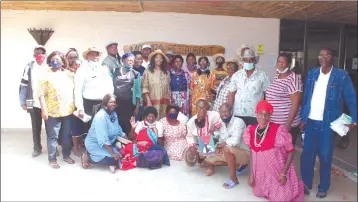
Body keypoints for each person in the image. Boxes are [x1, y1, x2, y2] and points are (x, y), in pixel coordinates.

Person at [300, 48, 357, 198]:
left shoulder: (341, 76)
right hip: (311, 121)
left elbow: (351, 99)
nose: (323, 57)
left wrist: (355, 119)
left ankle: (323, 186)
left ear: (333, 58)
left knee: (325, 155)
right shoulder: (312, 74)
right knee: (307, 154)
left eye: (327, 55)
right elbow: (306, 97)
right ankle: (305, 183)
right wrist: (302, 117)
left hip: (328, 123)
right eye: (321, 55)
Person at [244, 100, 304, 201]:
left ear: (270, 116)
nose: (263, 117)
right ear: (256, 114)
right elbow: (252, 154)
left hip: (276, 174)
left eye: (267, 115)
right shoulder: (250, 131)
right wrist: (252, 175)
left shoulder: (278, 131)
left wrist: (284, 173)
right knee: (257, 193)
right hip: (261, 174)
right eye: (261, 114)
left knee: (281, 199)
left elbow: (290, 151)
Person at [38, 51, 76, 169]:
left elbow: (75, 91)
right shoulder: (45, 75)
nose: (55, 62)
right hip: (52, 112)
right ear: (49, 61)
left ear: (63, 61)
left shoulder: (69, 74)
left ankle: (66, 155)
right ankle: (52, 159)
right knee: (53, 136)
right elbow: (41, 94)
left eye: (58, 59)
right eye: (53, 59)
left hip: (68, 110)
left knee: (66, 135)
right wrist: (43, 110)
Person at [82, 94, 135, 173]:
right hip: (95, 144)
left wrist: (127, 140)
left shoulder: (113, 114)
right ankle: (88, 156)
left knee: (124, 154)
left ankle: (108, 158)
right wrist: (113, 153)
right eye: (111, 102)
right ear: (105, 104)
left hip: (108, 143)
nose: (113, 104)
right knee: (114, 159)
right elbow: (104, 139)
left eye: (114, 102)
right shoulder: (101, 116)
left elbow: (118, 129)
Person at [204, 103, 250, 189]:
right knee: (207, 156)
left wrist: (221, 145)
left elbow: (235, 141)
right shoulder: (221, 123)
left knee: (227, 148)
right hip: (230, 150)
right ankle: (238, 165)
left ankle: (233, 179)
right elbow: (221, 139)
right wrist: (212, 134)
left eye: (226, 111)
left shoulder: (238, 122)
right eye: (221, 112)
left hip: (244, 152)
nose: (224, 114)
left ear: (231, 111)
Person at [74, 47, 114, 133]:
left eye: (97, 54)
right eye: (92, 54)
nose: (95, 56)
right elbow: (78, 90)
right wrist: (80, 107)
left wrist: (110, 100)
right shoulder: (82, 70)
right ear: (87, 56)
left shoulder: (104, 69)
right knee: (92, 128)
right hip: (89, 104)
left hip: (103, 102)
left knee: (104, 127)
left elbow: (110, 85)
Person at [265, 53, 303, 145]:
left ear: (289, 64)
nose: (280, 64)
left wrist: (287, 124)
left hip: (286, 125)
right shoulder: (277, 76)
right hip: (274, 122)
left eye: (283, 62)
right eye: (279, 62)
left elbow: (296, 103)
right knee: (276, 151)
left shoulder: (293, 79)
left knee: (285, 151)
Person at [228, 48, 270, 126]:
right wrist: (229, 110)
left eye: (251, 60)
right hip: (238, 114)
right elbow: (231, 94)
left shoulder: (263, 75)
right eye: (246, 60)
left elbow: (267, 94)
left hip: (255, 115)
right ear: (243, 61)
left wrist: (265, 112)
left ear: (254, 61)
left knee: (253, 137)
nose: (248, 62)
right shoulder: (236, 75)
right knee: (238, 136)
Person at [19, 45, 48, 157]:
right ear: (34, 55)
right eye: (37, 53)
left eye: (42, 52)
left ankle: (52, 147)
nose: (40, 55)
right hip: (33, 101)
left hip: (48, 103)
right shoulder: (29, 67)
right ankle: (37, 148)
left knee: (50, 127)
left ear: (45, 54)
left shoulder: (49, 66)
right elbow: (24, 85)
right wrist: (22, 101)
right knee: (36, 127)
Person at [186, 99, 222, 167]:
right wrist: (192, 147)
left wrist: (215, 126)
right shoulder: (191, 122)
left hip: (213, 141)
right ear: (196, 109)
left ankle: (210, 165)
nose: (202, 109)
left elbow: (222, 120)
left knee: (207, 141)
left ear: (207, 108)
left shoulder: (213, 115)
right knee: (189, 156)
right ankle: (203, 159)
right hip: (199, 143)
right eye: (200, 107)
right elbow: (190, 137)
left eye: (204, 107)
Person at [113, 52, 141, 135]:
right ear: (123, 60)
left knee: (128, 125)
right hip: (117, 103)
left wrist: (137, 107)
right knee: (117, 124)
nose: (131, 62)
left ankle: (127, 144)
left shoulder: (136, 74)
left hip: (129, 104)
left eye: (132, 61)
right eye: (129, 60)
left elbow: (138, 92)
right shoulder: (115, 71)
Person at [66, 48, 85, 157]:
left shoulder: (81, 71)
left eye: (75, 57)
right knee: (73, 126)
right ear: (67, 59)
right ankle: (75, 147)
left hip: (81, 101)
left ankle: (81, 144)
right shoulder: (65, 72)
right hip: (69, 102)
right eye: (70, 57)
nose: (73, 60)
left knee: (80, 124)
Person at [142, 49, 171, 120]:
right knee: (151, 122)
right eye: (157, 57)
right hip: (151, 103)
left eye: (161, 58)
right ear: (153, 59)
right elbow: (144, 87)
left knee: (162, 123)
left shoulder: (166, 72)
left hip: (164, 104)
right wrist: (148, 101)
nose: (159, 59)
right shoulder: (147, 72)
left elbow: (168, 88)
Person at [132, 51, 146, 121]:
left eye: (141, 59)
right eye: (138, 59)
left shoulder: (144, 69)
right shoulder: (130, 70)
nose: (141, 60)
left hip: (142, 98)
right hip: (133, 99)